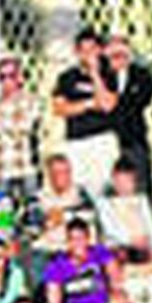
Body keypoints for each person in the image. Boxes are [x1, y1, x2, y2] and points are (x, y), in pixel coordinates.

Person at [51, 28, 119, 197]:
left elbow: (107, 105)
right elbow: (60, 108)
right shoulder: (67, 78)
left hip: (102, 139)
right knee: (80, 191)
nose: (88, 55)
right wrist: (88, 104)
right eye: (83, 51)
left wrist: (95, 73)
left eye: (92, 50)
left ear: (99, 50)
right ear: (77, 52)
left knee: (106, 190)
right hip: (77, 140)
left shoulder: (110, 75)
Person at [42, 217, 120, 303]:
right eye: (72, 239)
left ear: (88, 238)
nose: (77, 243)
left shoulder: (100, 254)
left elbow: (116, 286)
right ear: (67, 242)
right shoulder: (57, 266)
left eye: (81, 238)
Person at [0, 55, 42, 208]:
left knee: (33, 210)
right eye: (2, 77)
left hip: (26, 164)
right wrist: (12, 124)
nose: (7, 81)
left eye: (11, 76)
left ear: (19, 77)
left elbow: (25, 127)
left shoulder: (30, 100)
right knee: (2, 213)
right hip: (3, 167)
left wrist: (2, 125)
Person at [106, 33, 152, 201]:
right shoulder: (103, 77)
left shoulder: (141, 76)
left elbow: (140, 101)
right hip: (107, 140)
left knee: (140, 188)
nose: (118, 59)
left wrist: (115, 103)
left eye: (121, 54)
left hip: (134, 139)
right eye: (113, 54)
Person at [96, 156, 152, 265]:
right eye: (119, 182)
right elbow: (110, 229)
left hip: (143, 244)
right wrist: (131, 240)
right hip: (121, 244)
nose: (123, 187)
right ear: (113, 180)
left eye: (127, 182)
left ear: (134, 182)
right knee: (118, 253)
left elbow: (151, 227)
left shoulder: (141, 201)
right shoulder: (105, 204)